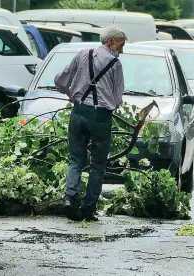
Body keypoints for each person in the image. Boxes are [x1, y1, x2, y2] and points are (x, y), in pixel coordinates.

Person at [54, 25, 127, 222]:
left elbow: (60, 80)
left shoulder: (82, 54)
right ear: (111, 42)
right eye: (121, 45)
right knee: (98, 164)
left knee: (76, 159)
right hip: (101, 117)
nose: (122, 50)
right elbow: (118, 98)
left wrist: (72, 94)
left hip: (78, 112)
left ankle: (69, 199)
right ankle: (87, 209)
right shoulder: (115, 64)